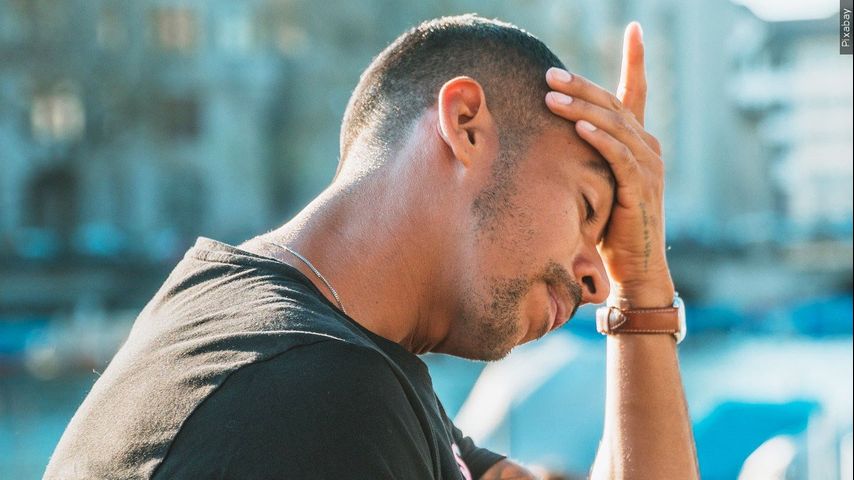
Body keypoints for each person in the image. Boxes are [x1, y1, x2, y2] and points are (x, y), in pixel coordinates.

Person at [45, 14, 699, 479]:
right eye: (587, 209)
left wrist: (643, 283)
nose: (599, 280)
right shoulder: (313, 396)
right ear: (465, 124)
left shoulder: (295, 346)